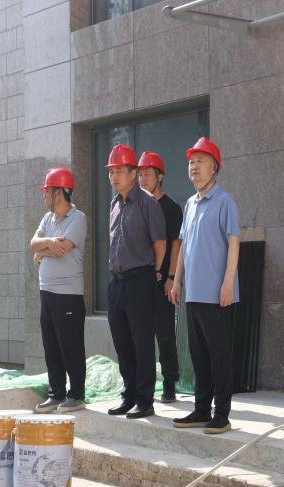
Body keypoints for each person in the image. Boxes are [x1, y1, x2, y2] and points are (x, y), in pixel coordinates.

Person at [170, 137, 240, 435]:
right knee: (198, 355)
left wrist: (228, 283)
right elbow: (184, 246)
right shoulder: (190, 204)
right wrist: (177, 281)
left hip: (217, 295)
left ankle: (222, 414)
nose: (193, 166)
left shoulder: (225, 201)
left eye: (200, 161)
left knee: (219, 356)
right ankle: (201, 409)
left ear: (214, 168)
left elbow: (234, 244)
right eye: (191, 161)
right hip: (193, 294)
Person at [105, 144, 167, 419]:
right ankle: (128, 395)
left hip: (141, 280)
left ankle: (145, 400)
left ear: (133, 173)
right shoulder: (114, 204)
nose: (114, 176)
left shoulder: (147, 203)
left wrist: (155, 272)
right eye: (111, 172)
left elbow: (160, 243)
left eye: (119, 171)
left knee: (142, 344)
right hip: (116, 283)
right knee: (122, 344)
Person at [30, 167, 88, 413]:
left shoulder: (78, 218)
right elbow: (33, 242)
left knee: (70, 345)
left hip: (68, 295)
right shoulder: (47, 219)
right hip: (46, 292)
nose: (44, 196)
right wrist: (47, 245)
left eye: (47, 192)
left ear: (58, 194)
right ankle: (56, 394)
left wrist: (42, 252)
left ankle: (76, 395)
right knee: (51, 345)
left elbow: (63, 248)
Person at [137, 151, 182, 403]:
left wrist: (171, 277)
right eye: (140, 175)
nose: (143, 179)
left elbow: (176, 244)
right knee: (140, 335)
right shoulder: (137, 206)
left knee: (165, 334)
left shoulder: (171, 208)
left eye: (147, 174)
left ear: (160, 176)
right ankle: (142, 385)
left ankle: (169, 383)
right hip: (140, 280)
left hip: (163, 280)